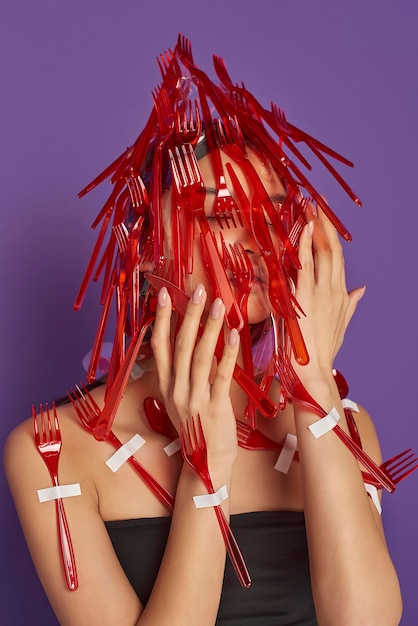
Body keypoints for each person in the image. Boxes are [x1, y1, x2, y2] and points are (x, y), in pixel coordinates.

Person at [4, 34, 406, 625]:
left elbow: (365, 621)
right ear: (144, 250)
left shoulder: (343, 424)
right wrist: (205, 467)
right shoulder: (54, 453)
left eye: (272, 216)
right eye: (220, 216)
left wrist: (315, 383)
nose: (257, 244)